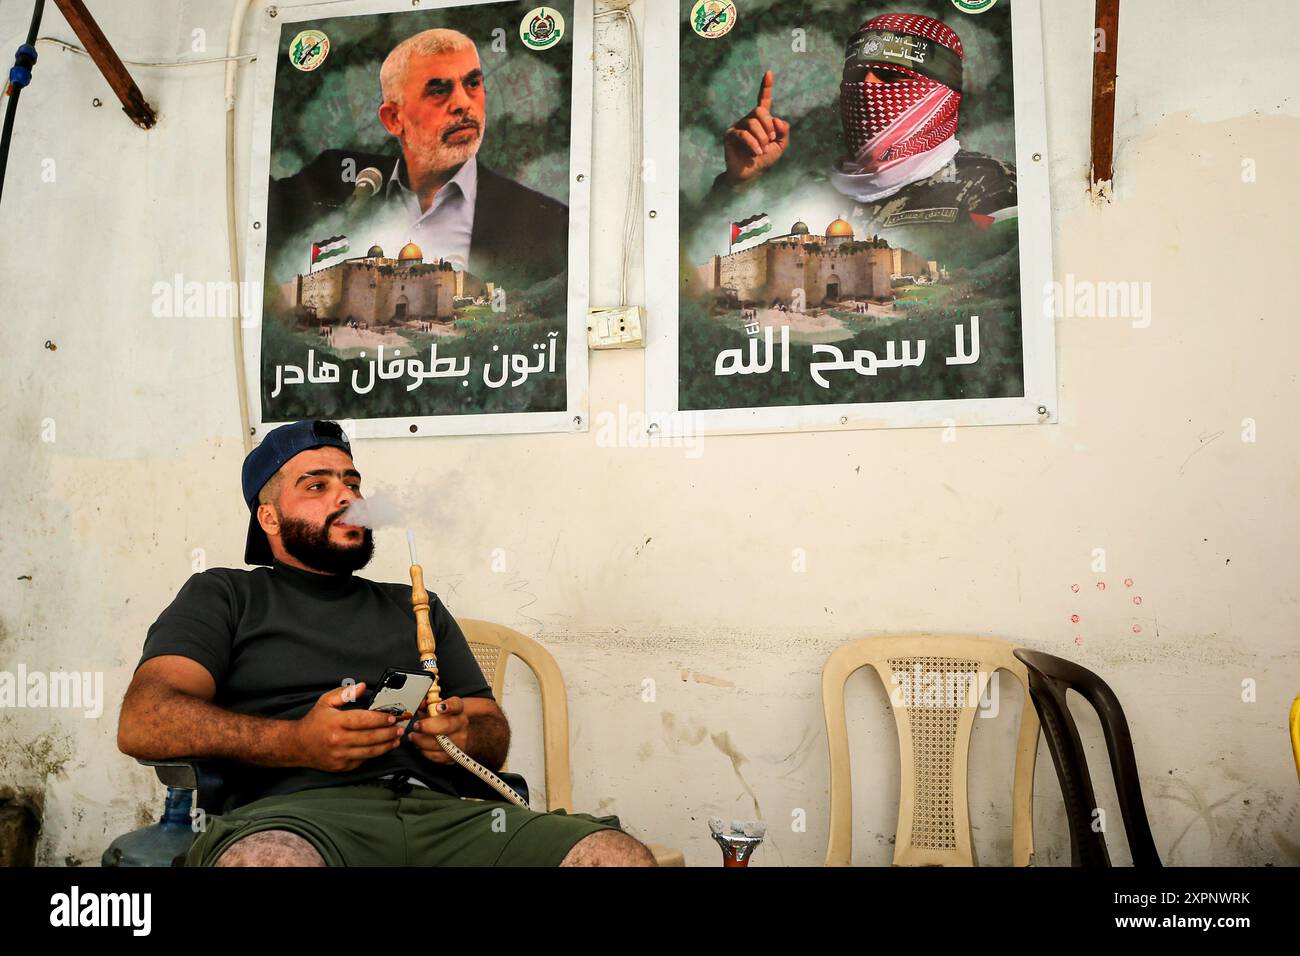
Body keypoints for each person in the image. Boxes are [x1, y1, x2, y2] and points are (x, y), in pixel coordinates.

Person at [117, 419, 654, 866]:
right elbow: (143, 721)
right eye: (317, 485)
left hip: (443, 815)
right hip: (296, 819)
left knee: (613, 855)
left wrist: (459, 732)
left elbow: (492, 735)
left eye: (351, 482)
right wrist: (296, 743)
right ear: (269, 516)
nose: (347, 496)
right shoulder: (225, 594)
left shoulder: (414, 605)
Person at [268, 29, 568, 290]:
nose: (463, 104)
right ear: (393, 119)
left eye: (473, 84)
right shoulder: (334, 180)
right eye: (439, 90)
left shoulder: (544, 222)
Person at [707, 12, 1016, 265]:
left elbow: (997, 290)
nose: (867, 88)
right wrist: (739, 184)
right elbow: (721, 262)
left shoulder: (989, 185)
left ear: (940, 92)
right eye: (856, 75)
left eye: (891, 77)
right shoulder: (810, 191)